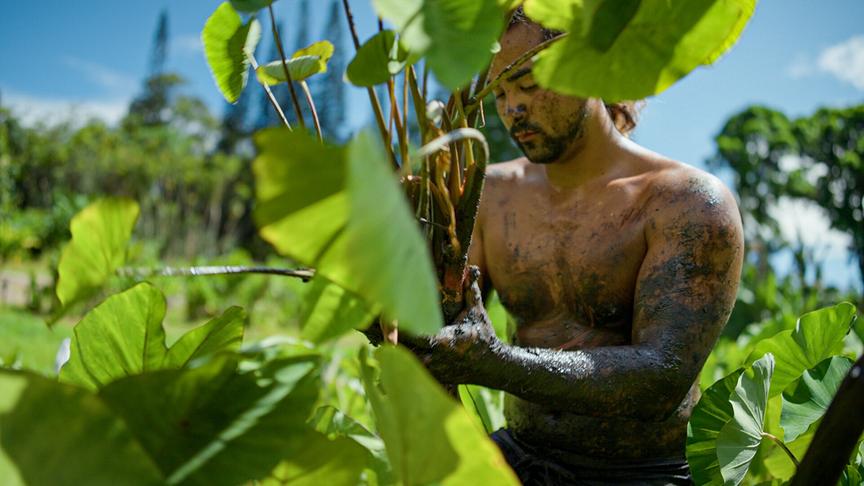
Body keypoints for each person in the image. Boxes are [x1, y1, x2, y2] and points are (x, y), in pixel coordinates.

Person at [402, 8, 745, 486]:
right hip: (517, 456)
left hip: (642, 474)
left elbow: (660, 379)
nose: (512, 108)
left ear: (589, 66)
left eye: (529, 84)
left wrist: (496, 363)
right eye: (499, 92)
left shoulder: (683, 202)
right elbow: (440, 324)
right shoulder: (489, 194)